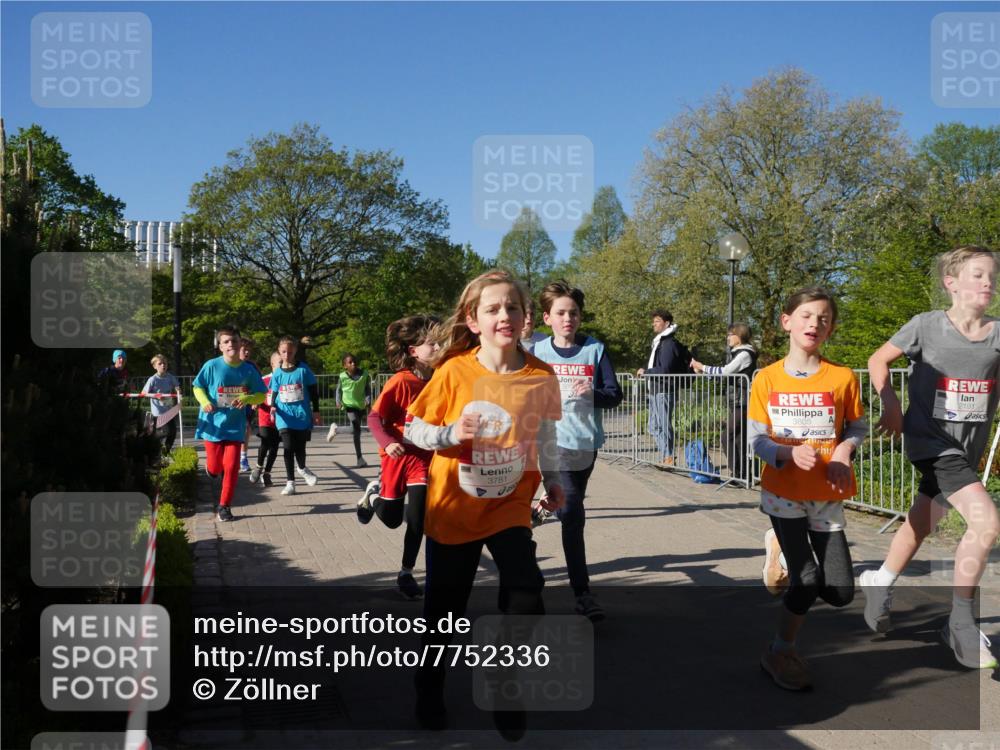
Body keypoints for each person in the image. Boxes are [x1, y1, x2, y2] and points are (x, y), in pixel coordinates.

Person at [403, 269, 564, 736]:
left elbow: (546, 434)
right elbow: (414, 428)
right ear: (473, 321)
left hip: (510, 504)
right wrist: (451, 434)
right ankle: (428, 689)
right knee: (444, 615)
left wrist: (554, 479)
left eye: (512, 306)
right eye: (492, 309)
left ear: (526, 316)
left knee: (527, 593)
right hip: (454, 506)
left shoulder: (541, 375)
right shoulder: (455, 371)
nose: (504, 315)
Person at [860, 246, 1000, 670]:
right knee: (987, 523)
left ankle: (880, 580)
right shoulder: (926, 326)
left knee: (924, 518)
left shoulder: (997, 334)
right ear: (951, 283)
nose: (987, 282)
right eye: (977, 275)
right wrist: (890, 403)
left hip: (965, 449)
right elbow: (878, 359)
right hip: (930, 442)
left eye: (991, 276)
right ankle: (960, 622)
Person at [749, 287, 868, 691]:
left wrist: (844, 451)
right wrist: (786, 453)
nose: (814, 323)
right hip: (783, 492)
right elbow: (757, 440)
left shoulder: (842, 377)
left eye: (823, 318)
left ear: (830, 329)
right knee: (806, 581)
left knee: (840, 593)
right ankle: (779, 651)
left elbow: (856, 426)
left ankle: (778, 548)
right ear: (787, 321)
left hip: (826, 494)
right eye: (805, 315)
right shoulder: (767, 378)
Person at [533, 281, 623, 622]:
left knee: (570, 504)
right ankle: (582, 593)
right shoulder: (538, 353)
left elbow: (615, 394)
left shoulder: (594, 349)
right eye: (560, 313)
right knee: (573, 514)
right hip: (551, 442)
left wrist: (594, 394)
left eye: (573, 313)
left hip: (585, 444)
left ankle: (546, 505)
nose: (567, 319)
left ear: (580, 317)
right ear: (547, 318)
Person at [357, 315, 440, 600]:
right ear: (413, 351)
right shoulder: (401, 381)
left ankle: (406, 574)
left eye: (439, 342)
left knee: (417, 519)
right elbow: (374, 417)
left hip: (424, 457)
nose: (438, 347)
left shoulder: (440, 378)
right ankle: (374, 496)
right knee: (392, 520)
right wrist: (388, 442)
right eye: (431, 344)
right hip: (397, 454)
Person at [192, 326, 267, 522]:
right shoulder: (211, 366)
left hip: (235, 426)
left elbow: (261, 394)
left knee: (232, 466)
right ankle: (212, 469)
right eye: (226, 342)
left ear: (240, 343)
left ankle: (224, 506)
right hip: (213, 426)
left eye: (234, 340)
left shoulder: (248, 370)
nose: (231, 344)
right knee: (215, 467)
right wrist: (205, 402)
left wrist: (248, 398)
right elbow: (197, 387)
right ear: (220, 346)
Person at [690, 323, 759, 481]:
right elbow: (724, 376)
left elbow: (726, 371)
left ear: (739, 336)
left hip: (742, 401)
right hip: (738, 401)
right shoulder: (738, 354)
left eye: (730, 335)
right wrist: (703, 373)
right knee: (738, 439)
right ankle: (741, 475)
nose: (727, 338)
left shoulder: (744, 354)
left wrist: (702, 366)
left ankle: (739, 474)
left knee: (727, 436)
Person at [270, 336, 322, 496]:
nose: (287, 355)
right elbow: (275, 392)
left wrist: (316, 411)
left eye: (290, 352)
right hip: (284, 416)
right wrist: (272, 407)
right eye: (284, 352)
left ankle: (302, 468)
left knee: (300, 448)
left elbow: (313, 392)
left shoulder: (303, 370)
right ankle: (290, 483)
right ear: (279, 351)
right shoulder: (277, 373)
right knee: (288, 447)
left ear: (295, 351)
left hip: (301, 415)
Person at [636, 310, 683, 465]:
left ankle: (668, 457)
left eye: (657, 321)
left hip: (664, 390)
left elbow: (666, 369)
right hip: (655, 389)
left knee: (663, 425)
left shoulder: (668, 344)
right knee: (653, 426)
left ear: (666, 323)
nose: (653, 324)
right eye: (654, 321)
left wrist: (646, 372)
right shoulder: (659, 342)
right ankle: (667, 456)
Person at [250, 351, 282, 488]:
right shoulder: (264, 380)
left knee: (274, 447)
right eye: (280, 363)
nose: (282, 365)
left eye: (284, 362)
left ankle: (267, 473)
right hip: (265, 417)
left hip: (280, 419)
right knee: (265, 441)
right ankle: (258, 466)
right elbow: (257, 395)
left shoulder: (286, 379)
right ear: (272, 364)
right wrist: (255, 402)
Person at [334, 353, 372, 467]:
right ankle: (336, 430)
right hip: (348, 404)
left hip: (360, 405)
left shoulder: (364, 375)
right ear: (345, 365)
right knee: (355, 425)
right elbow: (338, 390)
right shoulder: (342, 376)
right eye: (350, 362)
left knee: (356, 432)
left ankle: (360, 459)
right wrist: (338, 401)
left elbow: (367, 389)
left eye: (354, 361)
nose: (353, 364)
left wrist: (368, 400)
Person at [141, 354, 183, 453]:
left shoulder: (170, 377)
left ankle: (165, 452)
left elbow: (177, 387)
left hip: (169, 410)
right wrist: (155, 395)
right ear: (155, 366)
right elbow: (143, 393)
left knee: (172, 432)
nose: (163, 365)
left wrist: (178, 389)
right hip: (158, 412)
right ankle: (153, 447)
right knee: (164, 432)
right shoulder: (152, 379)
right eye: (160, 364)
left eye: (165, 363)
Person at [238, 337, 262, 473]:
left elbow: (259, 386)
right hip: (230, 403)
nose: (247, 352)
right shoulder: (228, 364)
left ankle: (243, 458)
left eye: (249, 350)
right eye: (244, 349)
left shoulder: (252, 366)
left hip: (247, 403)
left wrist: (256, 401)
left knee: (246, 428)